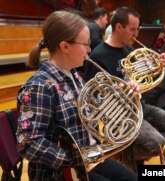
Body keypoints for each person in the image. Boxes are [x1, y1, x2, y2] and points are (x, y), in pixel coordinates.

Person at [15, 9, 137, 181]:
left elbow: (91, 111)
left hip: (86, 159)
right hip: (60, 172)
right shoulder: (39, 86)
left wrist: (122, 97)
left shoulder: (73, 76)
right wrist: (74, 159)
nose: (90, 49)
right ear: (65, 46)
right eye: (86, 44)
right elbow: (28, 143)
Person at [84, 6, 165, 168]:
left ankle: (128, 153)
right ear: (119, 27)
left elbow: (141, 77)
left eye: (137, 29)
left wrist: (158, 65)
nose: (136, 34)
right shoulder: (98, 56)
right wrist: (119, 90)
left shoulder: (128, 49)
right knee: (159, 144)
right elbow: (93, 98)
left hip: (139, 106)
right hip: (121, 116)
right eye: (133, 30)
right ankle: (120, 154)